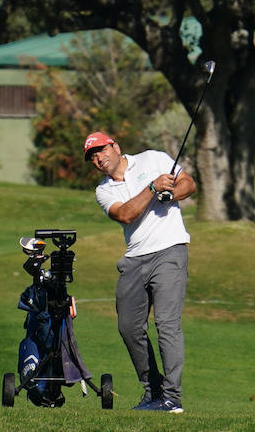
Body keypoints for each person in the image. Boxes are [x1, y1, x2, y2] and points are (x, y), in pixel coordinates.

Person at [84, 130, 196, 413]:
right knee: (129, 327)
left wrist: (171, 193)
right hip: (135, 258)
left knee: (166, 323)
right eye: (93, 156)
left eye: (101, 150)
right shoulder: (104, 191)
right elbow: (125, 214)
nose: (99, 158)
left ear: (115, 146)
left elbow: (188, 183)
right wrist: (153, 188)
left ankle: (172, 398)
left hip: (170, 250)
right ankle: (154, 392)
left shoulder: (153, 159)